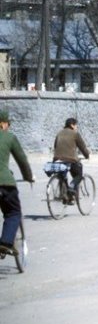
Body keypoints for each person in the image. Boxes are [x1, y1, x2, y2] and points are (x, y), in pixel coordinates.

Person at [0, 110, 33, 258]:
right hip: (5, 183)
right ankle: (6, 242)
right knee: (13, 213)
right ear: (3, 124)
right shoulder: (9, 137)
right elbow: (22, 160)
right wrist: (29, 177)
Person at [53, 117, 90, 198]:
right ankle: (72, 186)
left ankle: (64, 195)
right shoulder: (75, 134)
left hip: (57, 159)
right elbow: (82, 147)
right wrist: (87, 155)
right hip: (70, 159)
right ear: (72, 125)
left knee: (62, 175)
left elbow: (55, 146)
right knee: (79, 174)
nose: (76, 127)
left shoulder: (59, 133)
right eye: (76, 125)